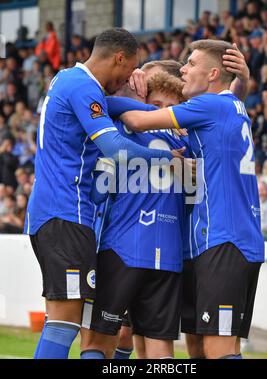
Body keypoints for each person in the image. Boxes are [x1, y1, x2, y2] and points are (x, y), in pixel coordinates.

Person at [24, 28, 183, 360]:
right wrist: (166, 157)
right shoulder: (83, 87)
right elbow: (114, 147)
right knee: (63, 325)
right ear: (119, 58)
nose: (129, 78)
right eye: (129, 70)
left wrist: (162, 114)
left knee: (70, 321)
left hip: (59, 213)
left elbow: (112, 104)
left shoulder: (69, 81)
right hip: (65, 213)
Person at [113, 39, 264, 359]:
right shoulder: (231, 107)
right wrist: (244, 83)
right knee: (204, 344)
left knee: (218, 349)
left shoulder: (210, 106)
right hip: (228, 241)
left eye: (191, 63)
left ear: (212, 74)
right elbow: (228, 101)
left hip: (224, 241)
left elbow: (138, 121)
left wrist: (105, 98)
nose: (183, 69)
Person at [80, 72, 192, 359]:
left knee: (96, 342)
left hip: (123, 247)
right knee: (159, 348)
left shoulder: (122, 131)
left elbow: (98, 193)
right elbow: (193, 199)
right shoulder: (188, 142)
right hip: (168, 256)